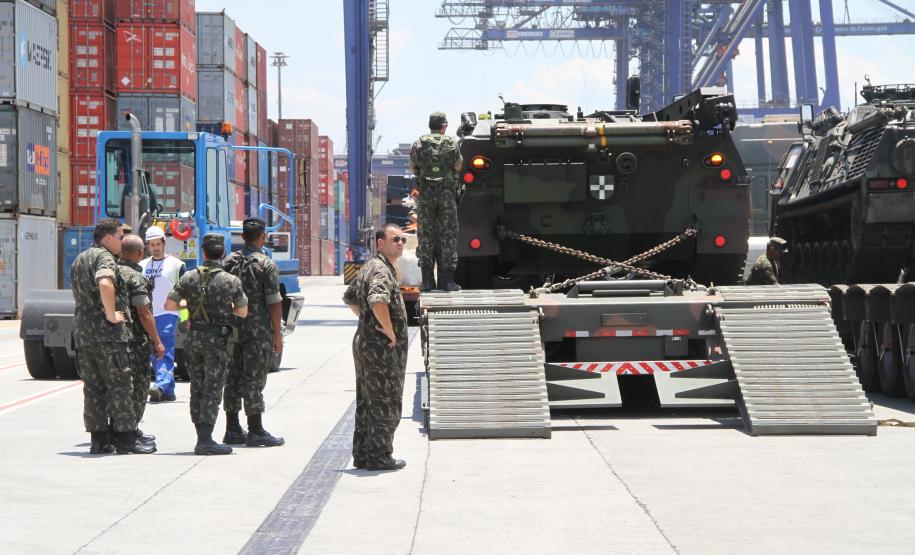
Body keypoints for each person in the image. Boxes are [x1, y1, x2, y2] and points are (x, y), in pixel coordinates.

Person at [71, 219, 154, 455]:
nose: (121, 241)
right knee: (120, 385)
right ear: (107, 238)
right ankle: (126, 439)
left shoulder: (80, 259)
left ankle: (99, 439)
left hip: (85, 333)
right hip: (108, 334)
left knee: (94, 387)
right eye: (119, 236)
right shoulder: (104, 257)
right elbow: (105, 283)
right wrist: (111, 314)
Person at [165, 234, 248, 456]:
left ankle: (201, 436)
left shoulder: (190, 277)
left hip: (194, 339)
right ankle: (206, 440)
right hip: (217, 341)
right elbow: (242, 311)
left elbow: (170, 304)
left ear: (203, 253)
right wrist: (223, 309)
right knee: (213, 388)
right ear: (222, 254)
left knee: (197, 387)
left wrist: (190, 305)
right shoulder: (231, 280)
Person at [343, 223, 409, 471]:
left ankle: (363, 453)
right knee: (384, 400)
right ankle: (380, 455)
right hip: (381, 348)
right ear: (380, 243)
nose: (400, 243)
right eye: (395, 239)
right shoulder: (381, 270)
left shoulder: (370, 266)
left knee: (367, 400)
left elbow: (349, 297)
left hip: (366, 343)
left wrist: (367, 321)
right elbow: (377, 300)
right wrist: (389, 330)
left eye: (402, 239)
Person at [222, 218, 285, 448]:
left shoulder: (228, 262)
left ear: (243, 237)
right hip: (257, 331)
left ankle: (232, 428)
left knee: (233, 377)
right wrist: (277, 334)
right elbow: (274, 302)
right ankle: (256, 429)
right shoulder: (266, 264)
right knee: (254, 378)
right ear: (263, 237)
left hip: (232, 329)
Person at [118, 234, 166, 449]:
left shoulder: (111, 273)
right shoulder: (135, 277)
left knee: (118, 387)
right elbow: (144, 311)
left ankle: (125, 431)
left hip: (113, 339)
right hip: (134, 340)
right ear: (140, 253)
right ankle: (130, 433)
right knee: (138, 386)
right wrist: (157, 341)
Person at [410, 110, 463, 292]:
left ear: (429, 126)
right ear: (444, 126)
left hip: (426, 196)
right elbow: (458, 166)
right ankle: (447, 281)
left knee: (425, 236)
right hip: (446, 195)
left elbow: (413, 166)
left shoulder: (419, 143)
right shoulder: (451, 143)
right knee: (448, 235)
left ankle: (426, 281)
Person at [141, 225, 186, 402]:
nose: (155, 248)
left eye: (158, 244)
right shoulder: (142, 265)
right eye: (151, 245)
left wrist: (185, 316)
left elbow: (186, 292)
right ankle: (168, 391)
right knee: (154, 351)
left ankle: (160, 384)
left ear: (164, 243)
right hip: (149, 314)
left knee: (164, 350)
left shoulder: (177, 265)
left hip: (169, 313)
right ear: (147, 246)